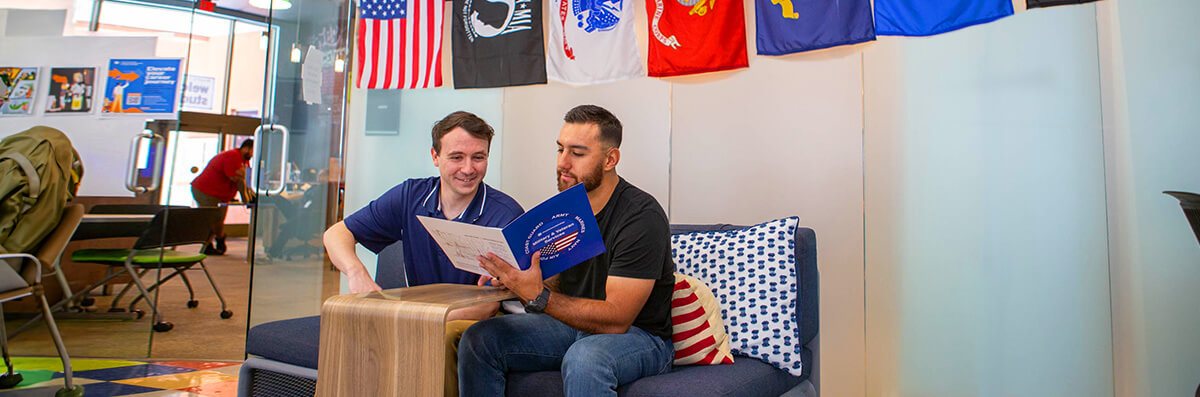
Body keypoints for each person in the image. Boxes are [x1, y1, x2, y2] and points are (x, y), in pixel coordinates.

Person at [460, 105, 676, 396]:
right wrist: (514, 279)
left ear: (610, 159)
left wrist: (538, 296)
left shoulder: (640, 216)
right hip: (572, 326)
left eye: (577, 153)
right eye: (560, 149)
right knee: (479, 339)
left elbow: (617, 318)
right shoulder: (566, 208)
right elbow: (556, 281)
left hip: (640, 337)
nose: (563, 163)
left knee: (586, 357)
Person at [322, 111, 524, 396]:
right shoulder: (411, 196)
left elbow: (487, 307)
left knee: (433, 339)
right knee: (349, 327)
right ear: (435, 156)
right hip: (421, 315)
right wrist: (356, 273)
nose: (468, 168)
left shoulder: (506, 214)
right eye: (456, 157)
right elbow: (336, 234)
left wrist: (413, 321)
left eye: (478, 157)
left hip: (476, 322)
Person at [191, 138, 255, 255]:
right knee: (212, 219)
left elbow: (245, 177)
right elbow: (236, 177)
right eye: (252, 151)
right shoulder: (233, 156)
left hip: (220, 194)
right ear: (246, 148)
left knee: (219, 218)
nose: (253, 154)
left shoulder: (243, 160)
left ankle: (217, 240)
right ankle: (208, 245)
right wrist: (248, 198)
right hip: (206, 190)